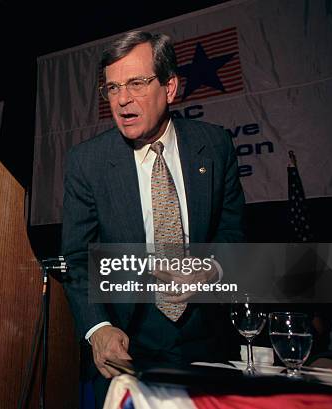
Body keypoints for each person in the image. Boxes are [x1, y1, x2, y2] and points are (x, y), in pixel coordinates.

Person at [61, 30, 245, 405]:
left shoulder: (216, 145)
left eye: (136, 83)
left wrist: (210, 271)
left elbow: (233, 234)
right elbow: (78, 259)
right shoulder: (87, 163)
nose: (122, 99)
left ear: (170, 87)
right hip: (128, 346)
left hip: (209, 343)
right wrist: (98, 328)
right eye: (112, 88)